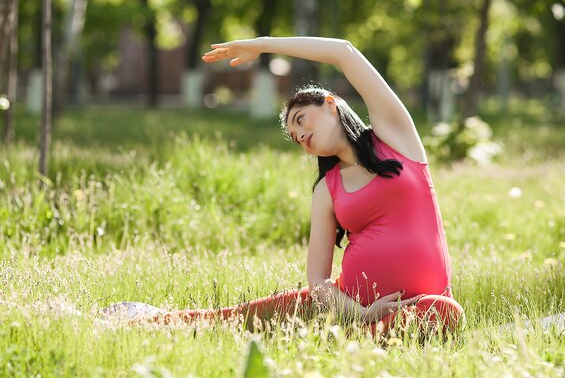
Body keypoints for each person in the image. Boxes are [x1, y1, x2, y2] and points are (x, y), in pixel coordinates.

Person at [146, 37, 464, 336]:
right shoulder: (327, 189)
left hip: (428, 306)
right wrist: (362, 314)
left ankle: (357, 340)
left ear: (329, 104)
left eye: (300, 120)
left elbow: (344, 52)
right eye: (296, 138)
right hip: (352, 309)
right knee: (230, 319)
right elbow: (319, 284)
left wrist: (263, 45)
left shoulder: (397, 138)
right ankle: (145, 320)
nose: (301, 137)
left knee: (446, 311)